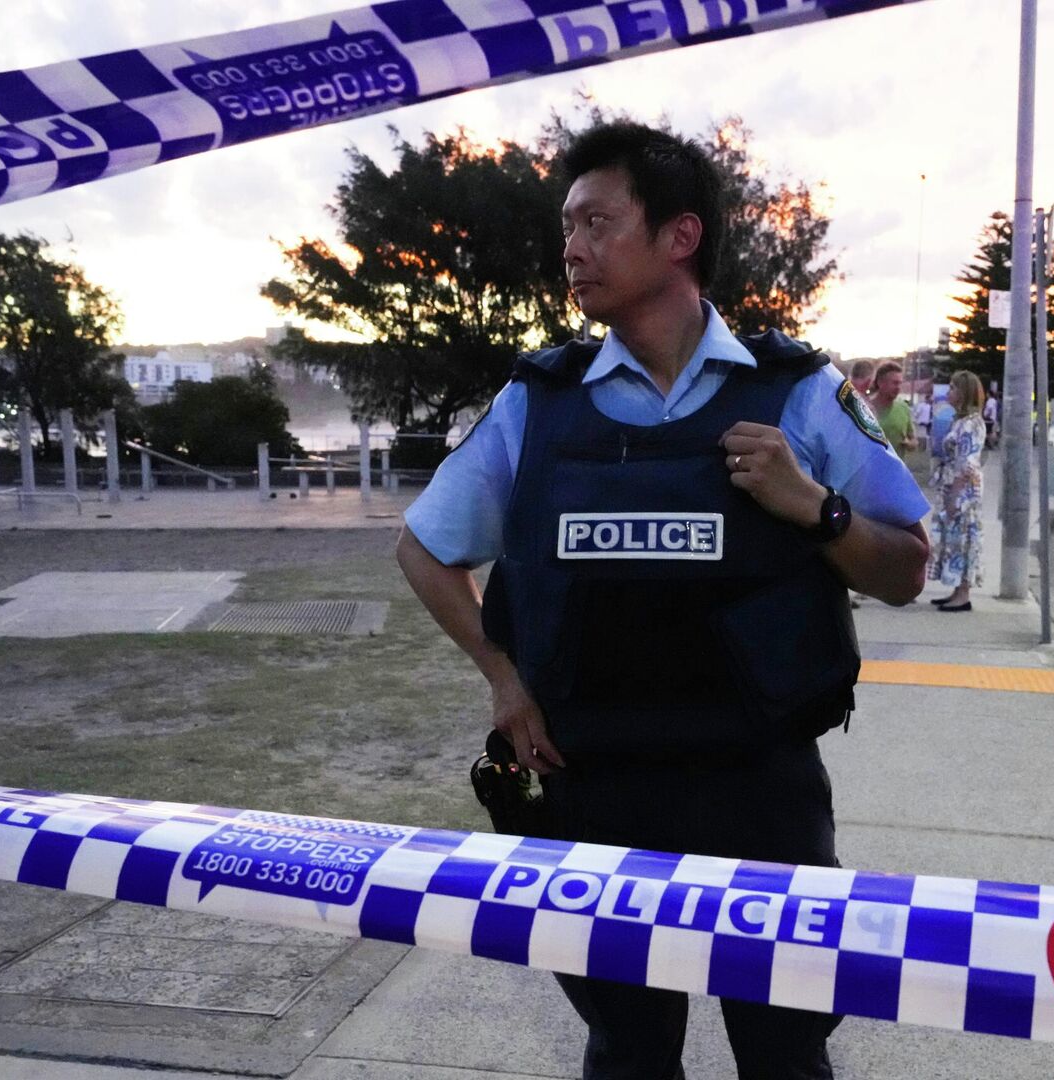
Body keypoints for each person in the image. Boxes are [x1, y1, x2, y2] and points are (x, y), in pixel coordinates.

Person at [393, 121, 930, 1080]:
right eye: (567, 227)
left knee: (783, 1054)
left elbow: (906, 568)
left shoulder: (797, 392)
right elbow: (425, 550)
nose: (573, 248)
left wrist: (814, 507)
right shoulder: (540, 402)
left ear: (678, 238)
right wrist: (503, 681)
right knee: (628, 1053)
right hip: (596, 785)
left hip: (759, 788)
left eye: (598, 221)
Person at [929, 371, 987, 613]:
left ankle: (963, 593)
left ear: (963, 392)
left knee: (962, 539)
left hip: (962, 489)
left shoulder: (972, 423)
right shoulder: (960, 421)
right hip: (953, 483)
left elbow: (967, 463)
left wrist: (955, 495)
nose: (948, 392)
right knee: (952, 539)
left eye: (953, 387)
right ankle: (956, 589)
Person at [869, 361, 914, 457]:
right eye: (894, 383)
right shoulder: (865, 408)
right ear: (880, 383)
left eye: (900, 383)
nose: (898, 388)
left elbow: (913, 440)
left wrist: (910, 444)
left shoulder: (903, 408)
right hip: (870, 469)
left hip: (896, 470)